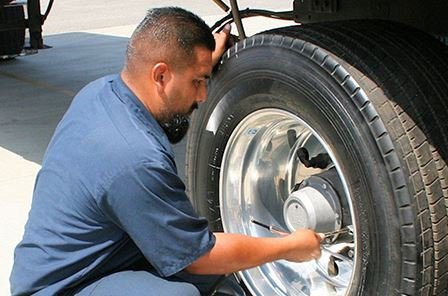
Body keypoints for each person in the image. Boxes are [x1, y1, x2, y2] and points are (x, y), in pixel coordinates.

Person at [10, 7, 323, 296]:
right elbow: (199, 258)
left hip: (89, 260)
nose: (202, 95)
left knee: (218, 273)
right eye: (198, 81)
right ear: (160, 75)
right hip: (63, 288)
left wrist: (197, 64)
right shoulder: (132, 158)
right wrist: (291, 247)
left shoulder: (102, 93)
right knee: (182, 290)